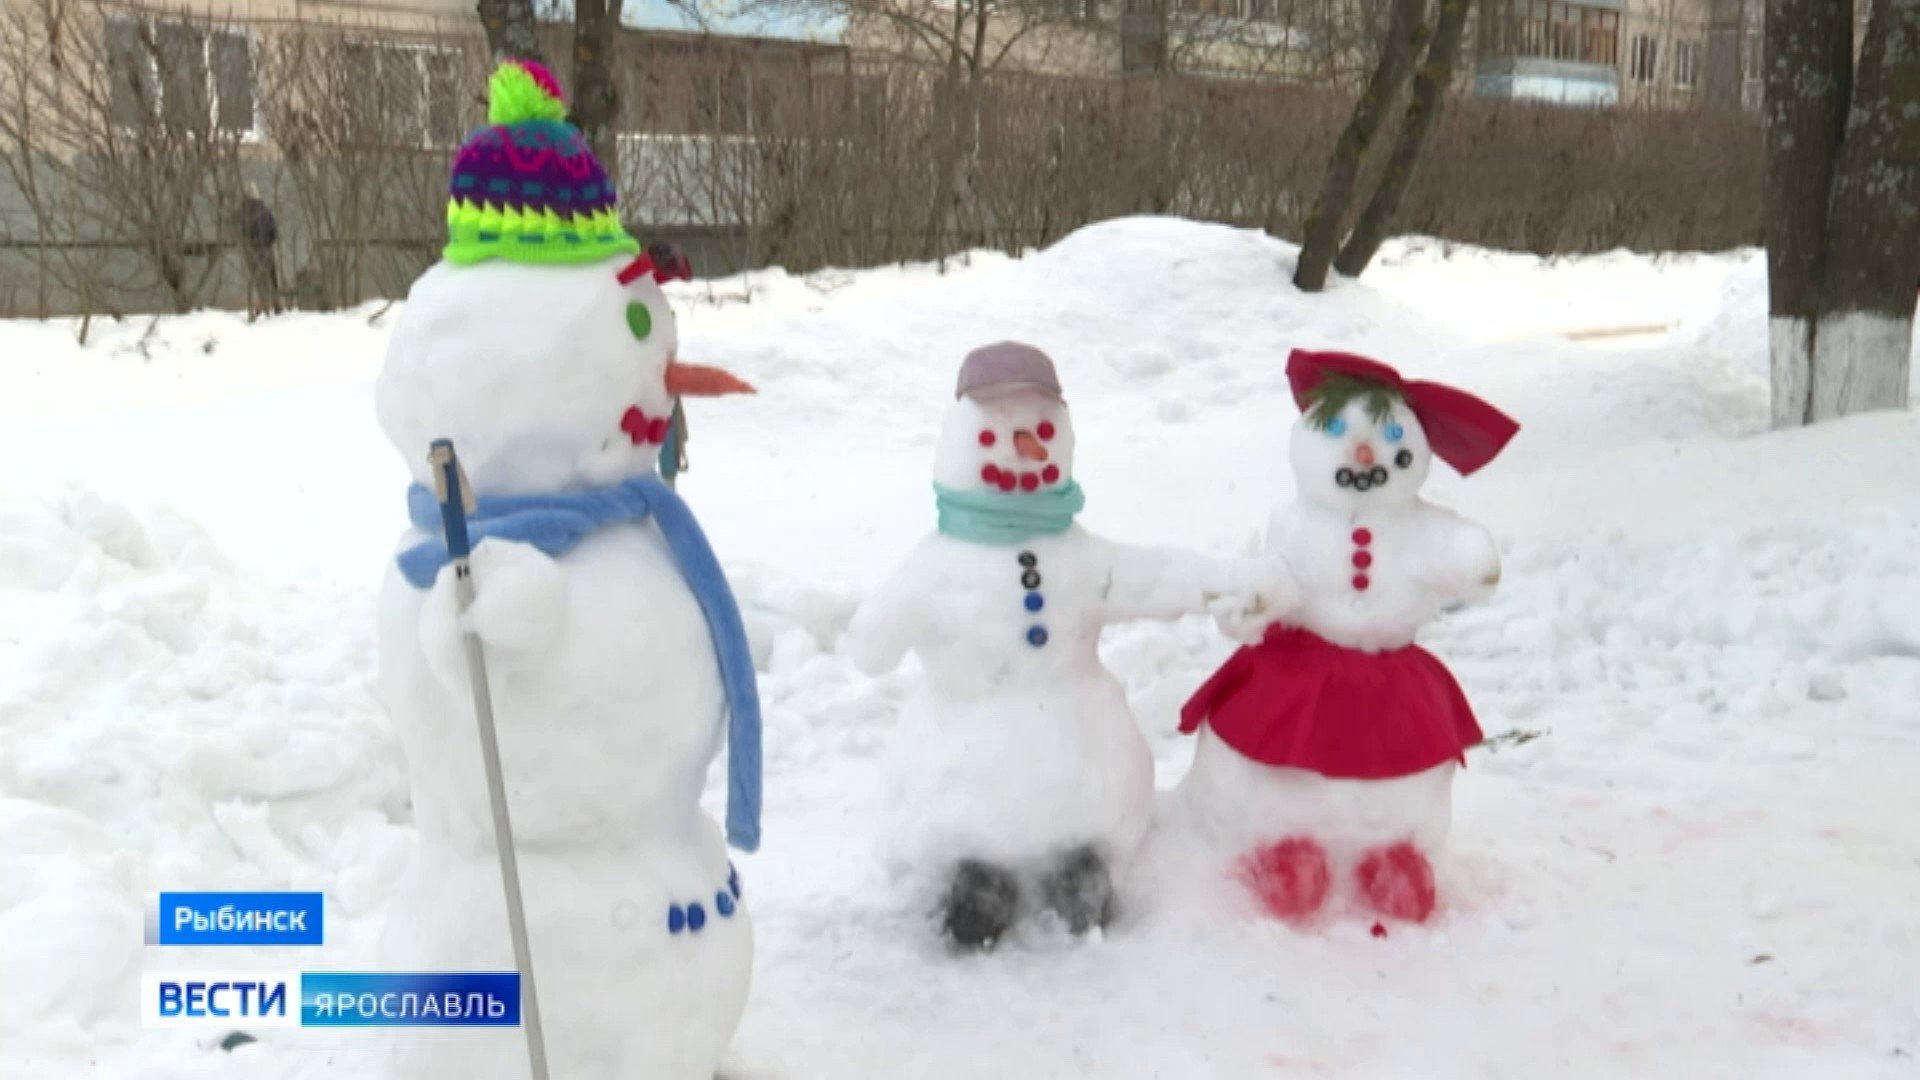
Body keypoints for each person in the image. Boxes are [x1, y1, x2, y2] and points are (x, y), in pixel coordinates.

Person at [237, 185, 280, 318]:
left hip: (253, 249)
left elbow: (242, 231)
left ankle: (264, 308)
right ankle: (277, 305)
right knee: (272, 280)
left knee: (258, 281)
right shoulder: (266, 210)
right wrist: (269, 243)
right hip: (267, 248)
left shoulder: (244, 212)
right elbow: (274, 230)